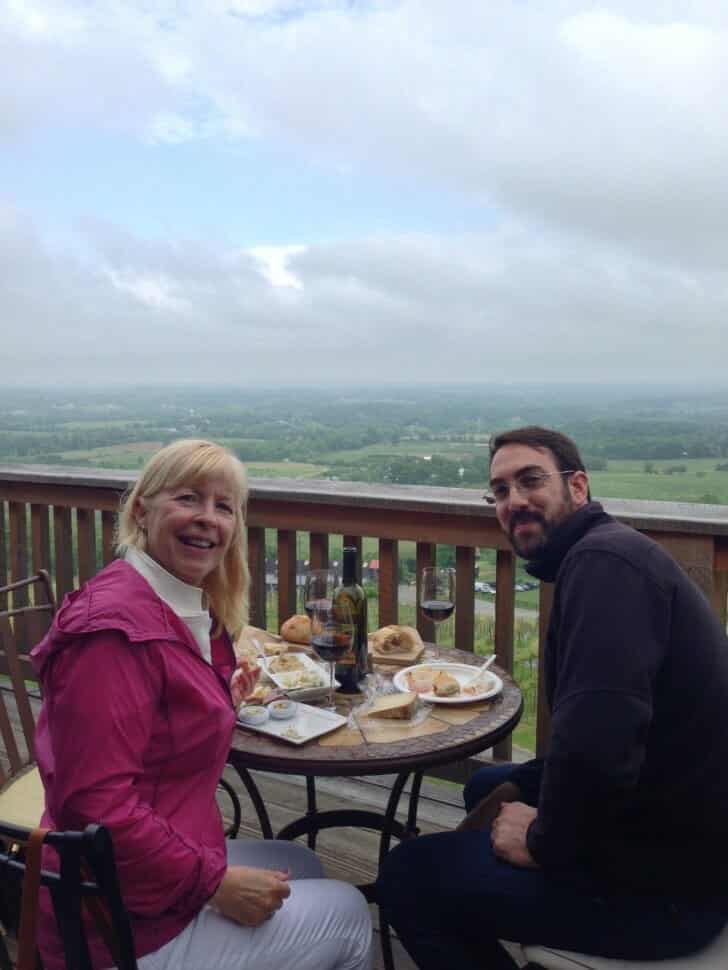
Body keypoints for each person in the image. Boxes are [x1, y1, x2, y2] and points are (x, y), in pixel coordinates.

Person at [376, 426, 728, 969]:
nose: (514, 500)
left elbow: (598, 748)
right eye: (499, 490)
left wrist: (542, 841)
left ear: (578, 487)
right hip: (668, 825)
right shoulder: (608, 554)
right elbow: (604, 735)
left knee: (408, 874)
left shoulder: (604, 567)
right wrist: (524, 790)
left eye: (530, 480)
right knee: (490, 783)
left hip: (668, 889)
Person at [31, 439, 372, 970]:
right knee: (349, 911)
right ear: (142, 510)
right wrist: (214, 885)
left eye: (224, 506)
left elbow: (152, 721)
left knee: (299, 862)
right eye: (189, 498)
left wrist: (216, 702)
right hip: (117, 927)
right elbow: (94, 806)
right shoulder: (112, 634)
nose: (207, 519)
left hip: (145, 873)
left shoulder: (173, 600)